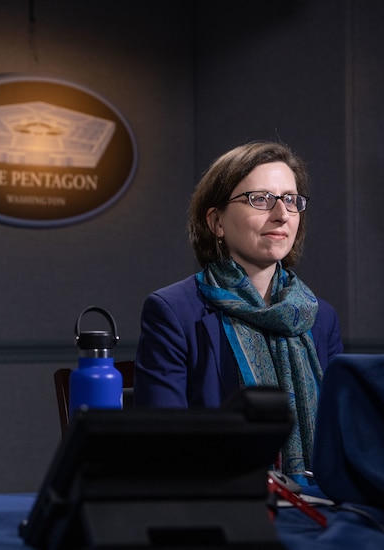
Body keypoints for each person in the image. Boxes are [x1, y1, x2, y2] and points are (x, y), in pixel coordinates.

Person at [134, 140, 343, 484]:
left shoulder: (321, 317)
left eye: (290, 200)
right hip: (221, 502)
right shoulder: (172, 311)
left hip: (319, 503)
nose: (281, 215)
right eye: (260, 199)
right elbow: (165, 443)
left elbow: (343, 433)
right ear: (216, 221)